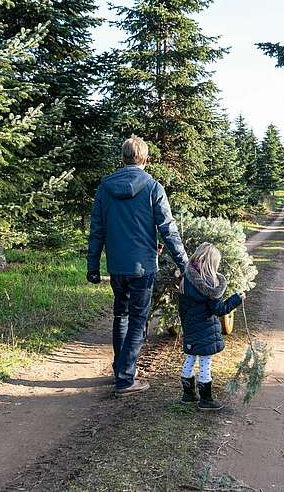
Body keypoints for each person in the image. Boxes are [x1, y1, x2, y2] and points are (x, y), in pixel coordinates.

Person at [87, 135, 190, 397]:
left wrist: (93, 265)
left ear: (123, 158)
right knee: (138, 319)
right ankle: (125, 379)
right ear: (145, 158)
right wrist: (185, 263)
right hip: (143, 267)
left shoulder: (104, 188)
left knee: (121, 316)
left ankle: (120, 368)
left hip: (117, 267)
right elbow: (168, 230)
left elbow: (97, 230)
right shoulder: (153, 187)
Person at [178, 242, 245, 411]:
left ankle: (188, 394)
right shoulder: (211, 285)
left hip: (190, 327)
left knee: (191, 358)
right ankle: (205, 399)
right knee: (205, 362)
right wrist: (236, 299)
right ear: (211, 263)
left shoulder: (186, 279)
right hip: (206, 330)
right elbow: (219, 309)